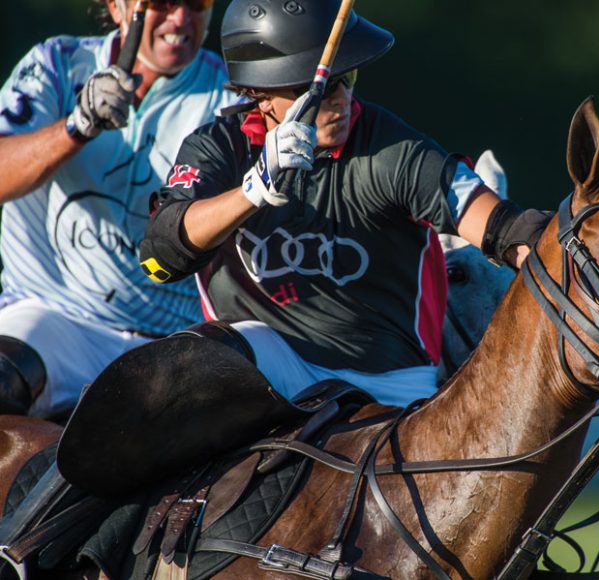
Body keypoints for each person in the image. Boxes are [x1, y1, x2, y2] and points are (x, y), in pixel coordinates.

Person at [137, 0, 551, 410]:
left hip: (388, 385)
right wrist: (253, 190)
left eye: (345, 77)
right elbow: (159, 258)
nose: (338, 99)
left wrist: (556, 256)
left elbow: (501, 227)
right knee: (195, 359)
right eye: (313, 88)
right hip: (267, 372)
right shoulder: (217, 148)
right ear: (261, 96)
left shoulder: (394, 149)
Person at [0, 0, 241, 419]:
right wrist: (78, 125)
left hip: (172, 341)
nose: (181, 19)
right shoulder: (58, 63)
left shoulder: (230, 96)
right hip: (52, 319)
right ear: (117, 7)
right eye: (162, 3)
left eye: (197, 4)